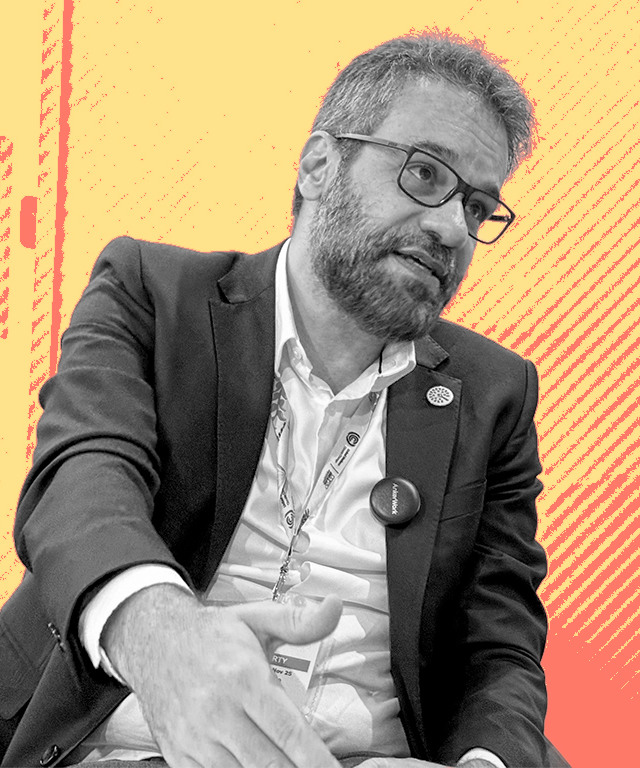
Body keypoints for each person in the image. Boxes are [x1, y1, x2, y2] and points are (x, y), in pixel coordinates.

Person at [0, 31, 569, 768]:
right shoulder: (153, 293)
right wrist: (160, 638)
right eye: (426, 174)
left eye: (478, 207)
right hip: (125, 743)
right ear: (319, 164)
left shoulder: (494, 392)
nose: (450, 229)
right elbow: (80, 486)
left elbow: (500, 643)